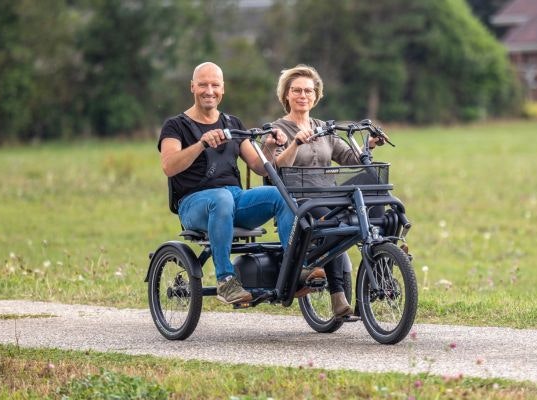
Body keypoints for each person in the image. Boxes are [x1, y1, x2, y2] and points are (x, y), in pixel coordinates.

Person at [158, 62, 295, 305]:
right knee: (220, 199)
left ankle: (295, 270)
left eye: (215, 85)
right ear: (192, 87)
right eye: (203, 85)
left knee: (279, 195)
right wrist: (201, 144)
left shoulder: (232, 122)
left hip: (234, 199)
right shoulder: (175, 125)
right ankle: (226, 281)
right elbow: (169, 166)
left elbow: (258, 164)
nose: (209, 91)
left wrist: (271, 146)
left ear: (223, 89)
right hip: (194, 203)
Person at [262, 64, 384, 318]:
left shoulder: (324, 128)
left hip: (331, 195)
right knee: (337, 225)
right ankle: (338, 296)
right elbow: (274, 167)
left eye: (308, 91)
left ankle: (384, 245)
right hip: (299, 198)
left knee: (374, 182)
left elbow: (349, 158)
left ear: (316, 96)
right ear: (286, 95)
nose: (303, 95)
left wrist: (368, 146)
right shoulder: (276, 129)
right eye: (296, 90)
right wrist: (295, 142)